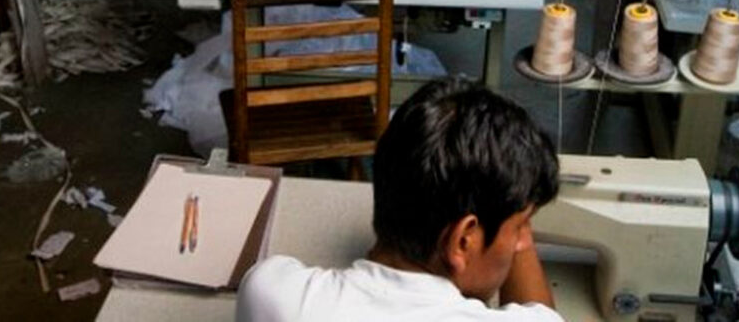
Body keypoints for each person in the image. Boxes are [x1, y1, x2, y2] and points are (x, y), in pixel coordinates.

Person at [236, 80, 562, 322]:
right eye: (521, 226)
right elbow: (541, 313)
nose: (523, 242)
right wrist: (512, 183)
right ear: (463, 240)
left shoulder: (271, 293)